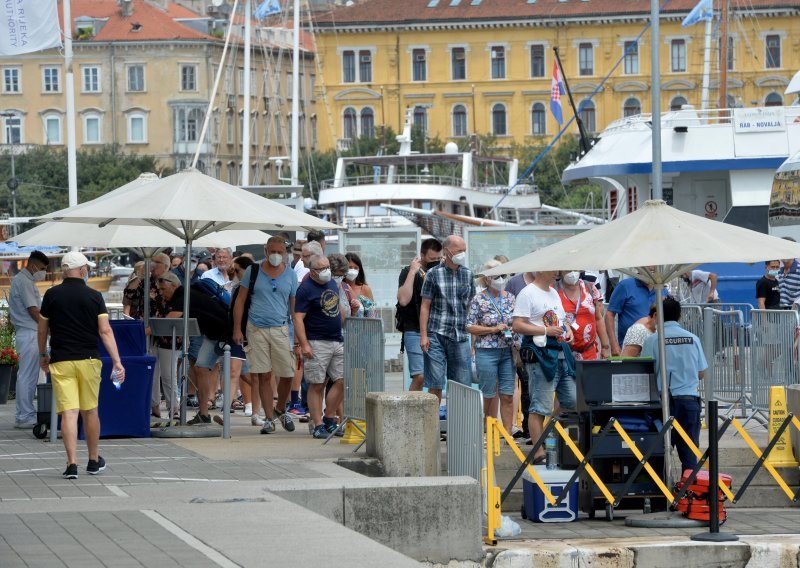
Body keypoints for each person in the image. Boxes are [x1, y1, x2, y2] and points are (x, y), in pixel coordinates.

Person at [38, 252, 125, 479]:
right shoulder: (94, 296)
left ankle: (71, 464)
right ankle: (93, 460)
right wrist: (117, 361)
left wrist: (42, 354)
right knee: (90, 410)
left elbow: (42, 329)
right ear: (83, 270)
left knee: (68, 412)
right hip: (88, 360)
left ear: (65, 270)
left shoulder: (51, 295)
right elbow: (105, 331)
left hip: (62, 360)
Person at [232, 236, 298, 434]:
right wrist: (237, 328)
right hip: (256, 328)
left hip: (281, 328)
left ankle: (280, 409)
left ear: (284, 253)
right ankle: (269, 418)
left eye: (280, 251)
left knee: (287, 373)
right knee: (263, 374)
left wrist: (299, 337)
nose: (276, 255)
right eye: (273, 251)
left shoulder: (291, 274)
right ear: (266, 251)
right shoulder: (253, 271)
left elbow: (294, 307)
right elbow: (240, 300)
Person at [512, 269, 575, 464]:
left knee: (571, 402)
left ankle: (549, 439)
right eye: (555, 268)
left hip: (560, 353)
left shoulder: (554, 291)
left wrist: (569, 330)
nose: (559, 272)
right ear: (541, 269)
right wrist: (545, 330)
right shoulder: (527, 293)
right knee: (539, 406)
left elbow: (563, 319)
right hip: (540, 354)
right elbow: (517, 325)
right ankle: (538, 452)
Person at [641, 297, 707, 473]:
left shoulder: (653, 340)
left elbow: (644, 372)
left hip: (663, 403)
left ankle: (662, 496)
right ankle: (689, 494)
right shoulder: (693, 339)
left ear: (658, 315)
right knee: (689, 455)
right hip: (689, 401)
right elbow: (701, 372)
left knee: (659, 454)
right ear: (679, 316)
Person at [157, 272, 229, 425]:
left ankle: (206, 412)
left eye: (163, 289)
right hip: (214, 333)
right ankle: (203, 414)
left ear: (174, 286)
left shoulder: (181, 295)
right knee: (200, 368)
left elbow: (170, 319)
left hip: (222, 332)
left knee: (243, 373)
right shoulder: (186, 293)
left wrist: (144, 330)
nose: (161, 293)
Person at [294, 254, 346, 438]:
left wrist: (345, 318)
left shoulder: (332, 283)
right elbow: (298, 318)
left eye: (328, 267)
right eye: (322, 268)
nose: (326, 271)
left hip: (336, 339)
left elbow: (337, 306)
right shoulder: (305, 289)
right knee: (317, 384)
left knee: (342, 380)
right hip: (317, 341)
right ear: (312, 271)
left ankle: (329, 418)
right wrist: (304, 344)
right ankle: (317, 425)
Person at [419, 235, 475, 401]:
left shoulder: (468, 274)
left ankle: (460, 424)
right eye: (459, 251)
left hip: (460, 336)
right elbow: (425, 305)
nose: (462, 254)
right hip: (436, 333)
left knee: (462, 384)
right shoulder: (433, 274)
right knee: (435, 383)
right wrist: (424, 336)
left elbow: (471, 306)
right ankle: (432, 425)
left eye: (464, 251)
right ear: (447, 251)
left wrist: (473, 338)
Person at [466, 260, 516, 432]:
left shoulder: (510, 297)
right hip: (486, 351)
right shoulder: (478, 299)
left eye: (503, 275)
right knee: (488, 394)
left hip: (507, 350)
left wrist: (513, 328)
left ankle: (508, 433)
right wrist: (494, 328)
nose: (501, 279)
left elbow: (516, 320)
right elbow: (469, 326)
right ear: (487, 279)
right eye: (496, 276)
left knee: (507, 394)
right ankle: (484, 431)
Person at [9, 250, 49, 429]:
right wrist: (47, 327)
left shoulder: (24, 281)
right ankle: (24, 415)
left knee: (28, 375)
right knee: (27, 376)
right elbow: (33, 311)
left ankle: (24, 413)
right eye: (42, 268)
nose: (44, 272)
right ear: (33, 265)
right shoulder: (24, 282)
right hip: (30, 332)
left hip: (28, 332)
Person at [396, 238, 443, 391]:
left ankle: (430, 413)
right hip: (414, 330)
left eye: (438, 258)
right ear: (422, 255)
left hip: (436, 331)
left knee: (436, 379)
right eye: (432, 259)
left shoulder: (441, 272)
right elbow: (403, 300)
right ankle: (410, 413)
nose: (435, 262)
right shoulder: (409, 272)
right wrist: (412, 271)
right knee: (420, 376)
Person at [557, 270, 611, 361]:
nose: (572, 273)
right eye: (568, 270)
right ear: (560, 271)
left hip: (589, 353)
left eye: (575, 269)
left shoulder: (589, 286)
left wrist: (605, 347)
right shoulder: (554, 290)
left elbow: (598, 318)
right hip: (563, 355)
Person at [606, 273, 663, 356]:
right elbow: (609, 315)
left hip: (655, 348)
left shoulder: (662, 289)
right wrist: (614, 345)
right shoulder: (625, 286)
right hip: (630, 349)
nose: (652, 266)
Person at [345, 252, 376, 318]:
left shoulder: (365, 289)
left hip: (362, 327)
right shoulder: (339, 287)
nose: (353, 270)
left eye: (356, 268)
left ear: (359, 270)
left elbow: (371, 316)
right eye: (350, 267)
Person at [778, 240, 800, 309]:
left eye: (786, 250)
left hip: (797, 312)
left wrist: (797, 302)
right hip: (784, 312)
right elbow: (767, 274)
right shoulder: (779, 272)